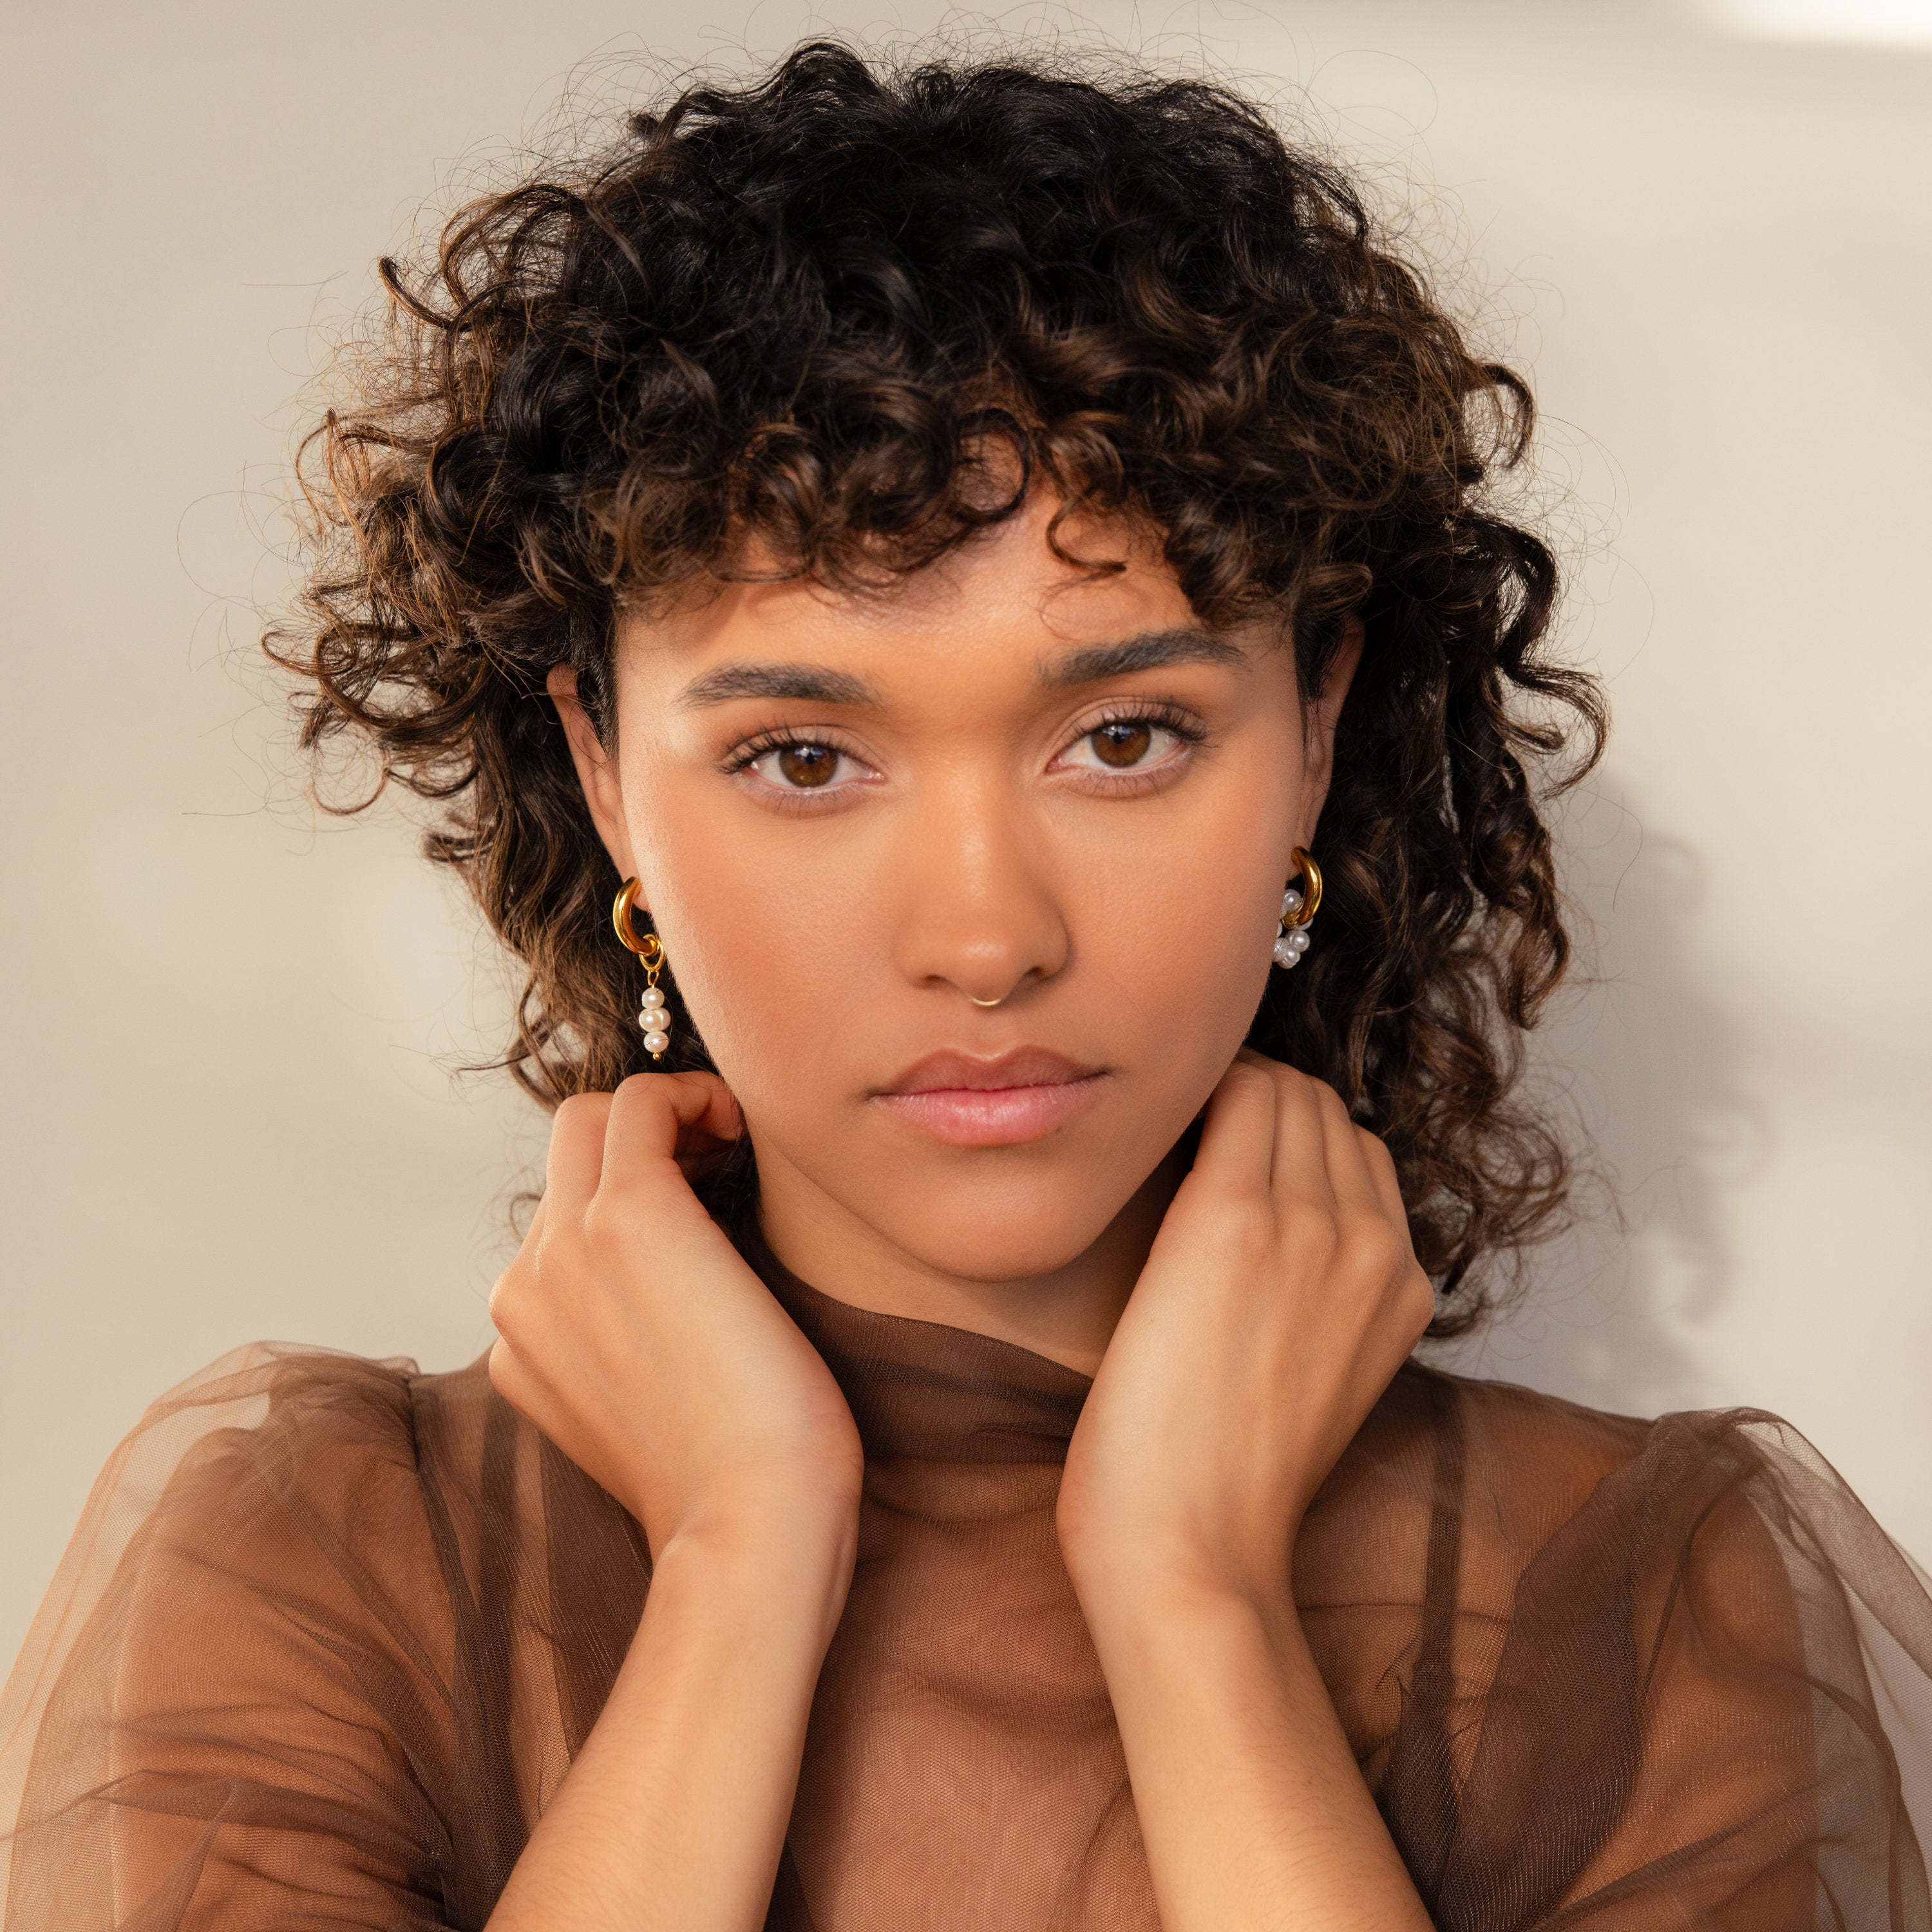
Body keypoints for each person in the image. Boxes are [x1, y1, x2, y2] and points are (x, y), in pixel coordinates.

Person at [3, 38, 1929, 1932]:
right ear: (603, 770)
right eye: (805, 760)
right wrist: (743, 1559)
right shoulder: (334, 1564)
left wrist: (1192, 1594)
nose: (989, 938)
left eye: (1126, 739)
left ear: (1318, 719)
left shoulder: (1649, 1597)